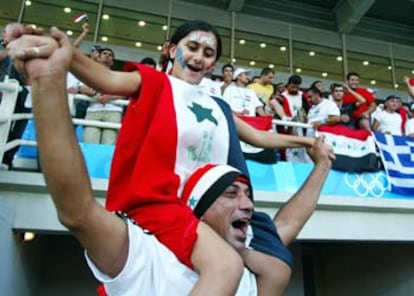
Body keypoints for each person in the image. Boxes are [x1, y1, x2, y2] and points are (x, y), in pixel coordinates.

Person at [8, 21, 332, 295]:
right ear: (170, 49)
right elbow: (106, 80)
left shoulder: (217, 105)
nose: (199, 57)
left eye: (208, 54)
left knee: (261, 265)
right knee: (225, 265)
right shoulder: (154, 82)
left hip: (202, 212)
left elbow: (260, 137)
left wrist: (309, 142)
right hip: (160, 204)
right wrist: (63, 58)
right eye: (192, 47)